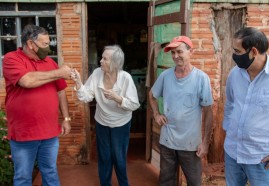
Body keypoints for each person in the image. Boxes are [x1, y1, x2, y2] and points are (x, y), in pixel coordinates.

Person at [3, 24, 72, 186]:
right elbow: (26, 81)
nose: (48, 49)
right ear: (30, 44)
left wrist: (67, 118)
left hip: (49, 133)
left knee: (50, 172)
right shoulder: (12, 58)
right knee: (23, 177)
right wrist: (60, 72)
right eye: (45, 44)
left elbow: (61, 91)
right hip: (24, 134)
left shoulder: (50, 62)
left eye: (49, 43)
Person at [71, 45, 140, 186]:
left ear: (115, 63)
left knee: (119, 158)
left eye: (105, 59)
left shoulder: (125, 78)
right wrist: (78, 82)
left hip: (120, 124)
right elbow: (86, 97)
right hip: (102, 122)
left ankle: (124, 183)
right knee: (104, 156)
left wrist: (118, 98)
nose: (100, 61)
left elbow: (134, 104)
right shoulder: (97, 73)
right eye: (101, 58)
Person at [149, 36, 213, 186]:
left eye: (179, 52)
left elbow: (208, 112)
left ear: (191, 52)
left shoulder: (201, 78)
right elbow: (152, 95)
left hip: (190, 145)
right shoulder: (165, 76)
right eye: (172, 53)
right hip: (167, 142)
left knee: (194, 182)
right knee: (166, 182)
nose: (175, 56)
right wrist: (156, 114)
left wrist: (205, 143)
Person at [223, 27, 269, 186]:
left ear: (253, 51)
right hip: (232, 152)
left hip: (261, 158)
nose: (234, 55)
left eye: (237, 51)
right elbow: (230, 103)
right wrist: (228, 130)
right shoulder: (234, 74)